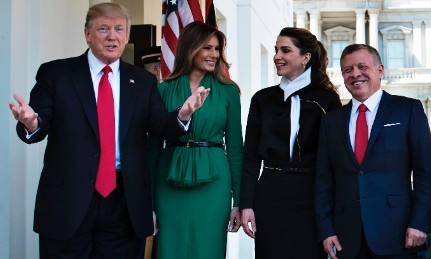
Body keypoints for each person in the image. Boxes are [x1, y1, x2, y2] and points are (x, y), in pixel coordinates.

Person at [8, 3, 209, 258]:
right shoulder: (56, 73)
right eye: (103, 28)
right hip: (68, 199)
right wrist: (30, 123)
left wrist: (182, 115)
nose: (112, 36)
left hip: (124, 202)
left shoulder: (143, 81)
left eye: (119, 29)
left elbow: (159, 125)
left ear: (126, 36)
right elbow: (39, 123)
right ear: (87, 34)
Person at [315, 44, 431, 259]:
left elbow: (425, 171)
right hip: (347, 237)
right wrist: (326, 230)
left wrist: (419, 223)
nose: (355, 74)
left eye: (362, 66)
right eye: (347, 69)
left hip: (397, 233)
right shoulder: (331, 121)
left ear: (380, 70)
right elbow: (324, 179)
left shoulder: (408, 109)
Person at [239, 27, 341, 259]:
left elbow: (334, 158)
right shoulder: (262, 99)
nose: (277, 56)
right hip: (270, 193)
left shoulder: (327, 100)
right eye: (276, 50)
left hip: (311, 195)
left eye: (285, 50)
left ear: (306, 57)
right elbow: (251, 157)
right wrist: (246, 204)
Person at [147, 21, 243, 259]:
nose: (214, 54)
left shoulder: (228, 91)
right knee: (171, 248)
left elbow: (235, 148)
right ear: (191, 48)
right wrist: (147, 202)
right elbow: (152, 149)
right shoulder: (162, 90)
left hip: (215, 181)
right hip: (168, 177)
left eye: (217, 49)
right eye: (207, 48)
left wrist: (238, 201)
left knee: (208, 248)